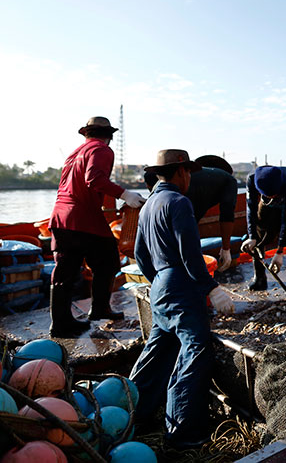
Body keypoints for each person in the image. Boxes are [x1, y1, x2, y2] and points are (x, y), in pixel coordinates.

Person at [129, 149, 235, 450]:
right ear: (180, 173)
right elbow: (191, 254)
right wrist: (210, 288)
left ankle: (134, 415)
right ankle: (184, 434)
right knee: (195, 351)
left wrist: (160, 280)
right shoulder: (178, 202)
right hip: (181, 287)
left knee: (156, 352)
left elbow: (140, 255)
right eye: (188, 172)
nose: (190, 177)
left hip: (160, 287)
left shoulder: (148, 205)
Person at [48, 116, 146, 337]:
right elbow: (94, 179)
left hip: (62, 217)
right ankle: (65, 323)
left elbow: (83, 185)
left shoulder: (75, 153)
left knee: (69, 269)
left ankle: (95, 311)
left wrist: (116, 199)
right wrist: (125, 194)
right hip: (81, 219)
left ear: (87, 134)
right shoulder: (102, 150)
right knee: (108, 262)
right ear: (109, 135)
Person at [144, 156, 238, 272]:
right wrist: (226, 249)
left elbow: (140, 251)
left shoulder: (154, 195)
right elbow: (227, 214)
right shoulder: (228, 180)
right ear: (182, 172)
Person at [242, 165, 286, 291]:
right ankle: (260, 278)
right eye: (270, 196)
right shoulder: (251, 179)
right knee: (258, 236)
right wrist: (252, 236)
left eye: (274, 195)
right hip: (266, 205)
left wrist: (280, 251)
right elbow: (250, 208)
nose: (273, 197)